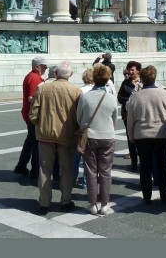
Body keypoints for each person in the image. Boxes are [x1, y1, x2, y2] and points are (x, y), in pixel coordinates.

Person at [29, 60, 82, 214]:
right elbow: (79, 116)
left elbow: (33, 115)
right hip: (66, 137)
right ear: (70, 74)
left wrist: (41, 122)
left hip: (45, 136)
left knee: (44, 170)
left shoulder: (43, 88)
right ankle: (66, 201)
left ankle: (44, 202)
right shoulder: (76, 91)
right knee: (66, 170)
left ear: (56, 73)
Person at [126, 65, 166, 205]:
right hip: (161, 134)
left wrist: (131, 137)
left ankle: (146, 196)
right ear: (154, 77)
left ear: (142, 79)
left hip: (142, 136)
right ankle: (164, 195)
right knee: (163, 166)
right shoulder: (164, 93)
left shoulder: (135, 97)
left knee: (145, 167)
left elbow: (130, 120)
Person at [77, 64, 119, 216]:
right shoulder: (111, 98)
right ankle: (105, 204)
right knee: (106, 172)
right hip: (107, 136)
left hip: (90, 136)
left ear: (94, 79)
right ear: (107, 80)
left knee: (90, 171)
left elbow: (79, 117)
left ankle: (92, 203)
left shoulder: (85, 97)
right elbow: (114, 120)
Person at [13, 56, 48, 179]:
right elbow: (32, 98)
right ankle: (35, 171)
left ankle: (21, 166)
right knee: (36, 143)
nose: (45, 69)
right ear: (37, 67)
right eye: (44, 67)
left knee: (30, 141)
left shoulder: (31, 76)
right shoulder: (34, 78)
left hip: (28, 114)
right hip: (33, 116)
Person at [118, 60, 142, 170]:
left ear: (138, 71)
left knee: (141, 138)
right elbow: (119, 97)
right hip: (127, 114)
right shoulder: (125, 83)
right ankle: (133, 161)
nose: (130, 72)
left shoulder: (143, 82)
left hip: (141, 115)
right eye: (129, 70)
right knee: (130, 138)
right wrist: (131, 100)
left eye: (132, 70)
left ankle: (143, 160)